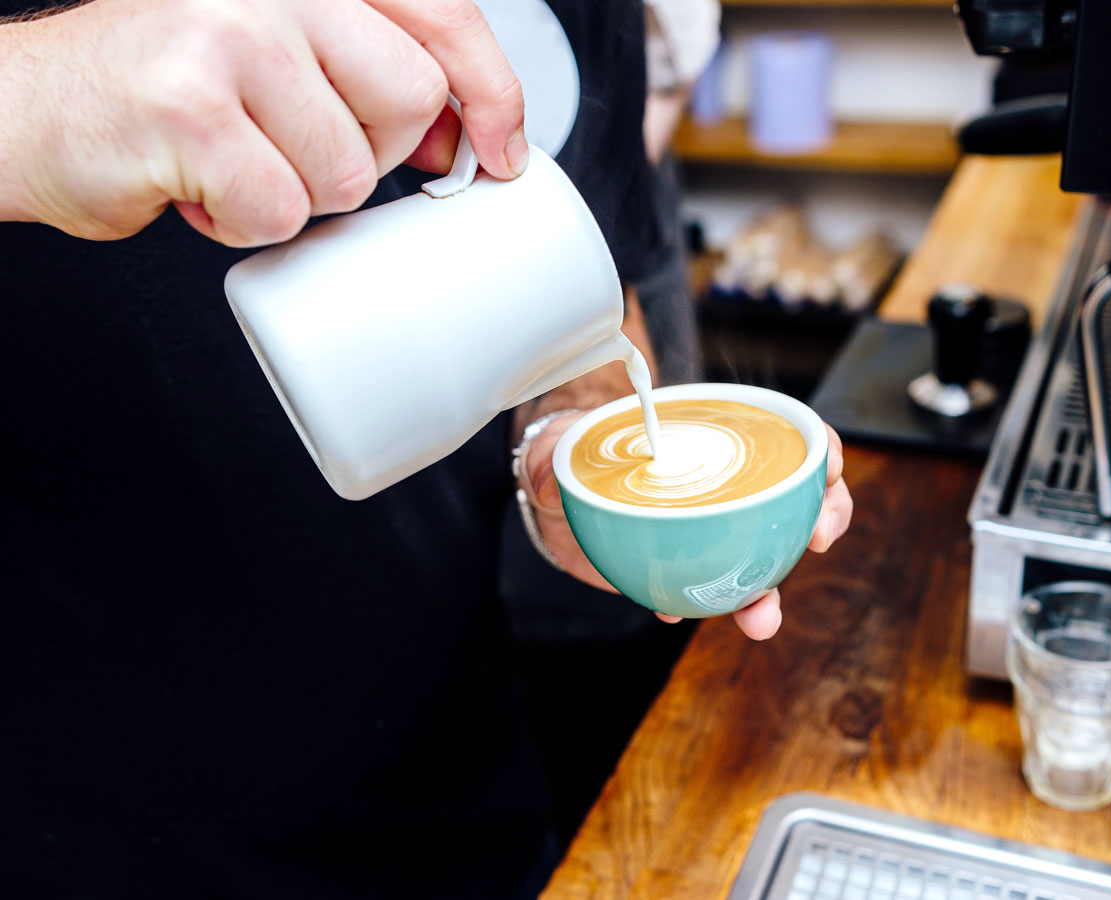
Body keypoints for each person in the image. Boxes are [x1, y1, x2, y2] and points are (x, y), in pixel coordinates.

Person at [0, 2, 853, 897]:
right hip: (62, 818)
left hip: (443, 794)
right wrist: (43, 88)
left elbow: (590, 299)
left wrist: (566, 446)